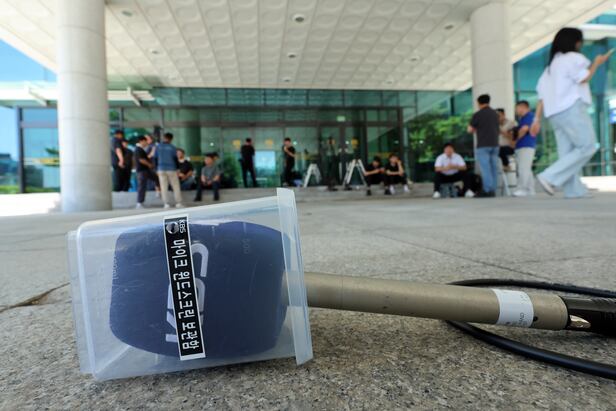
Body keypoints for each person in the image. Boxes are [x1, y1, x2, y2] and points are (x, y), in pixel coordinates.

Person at [532, 27, 610, 199]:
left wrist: (536, 120)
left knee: (567, 153)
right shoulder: (574, 58)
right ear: (576, 42)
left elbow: (541, 96)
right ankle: (549, 176)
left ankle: (574, 190)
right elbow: (583, 78)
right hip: (570, 109)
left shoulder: (550, 67)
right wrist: (597, 62)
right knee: (587, 146)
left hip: (554, 114)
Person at [468, 94, 500, 197]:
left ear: (479, 103)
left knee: (485, 168)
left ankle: (487, 190)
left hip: (483, 145)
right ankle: (493, 190)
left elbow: (470, 129)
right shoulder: (495, 114)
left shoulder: (478, 114)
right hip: (495, 144)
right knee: (494, 168)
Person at [512, 101, 537, 197]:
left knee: (523, 168)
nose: (516, 111)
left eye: (516, 108)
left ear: (522, 107)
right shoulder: (523, 118)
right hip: (523, 146)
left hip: (526, 145)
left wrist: (515, 140)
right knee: (526, 168)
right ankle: (530, 189)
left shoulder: (529, 116)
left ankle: (522, 189)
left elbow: (524, 129)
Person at [154, 132, 183, 208]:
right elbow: (175, 159)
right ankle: (178, 203)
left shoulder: (158, 147)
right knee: (175, 186)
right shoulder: (172, 147)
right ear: (171, 139)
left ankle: (166, 204)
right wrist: (178, 168)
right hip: (171, 169)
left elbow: (155, 158)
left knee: (163, 187)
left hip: (161, 169)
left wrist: (156, 169)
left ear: (164, 138)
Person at [134, 135, 155, 209]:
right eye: (146, 141)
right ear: (141, 141)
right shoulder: (138, 149)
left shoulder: (140, 149)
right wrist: (149, 165)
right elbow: (141, 160)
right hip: (142, 171)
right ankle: (139, 203)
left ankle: (141, 202)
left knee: (156, 178)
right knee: (142, 186)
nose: (147, 143)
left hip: (145, 170)